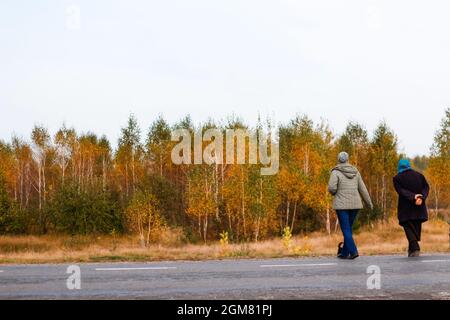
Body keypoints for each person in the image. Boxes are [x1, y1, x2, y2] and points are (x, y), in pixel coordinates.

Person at [328, 152, 373, 259]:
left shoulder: (336, 172)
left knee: (346, 229)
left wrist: (334, 193)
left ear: (338, 159)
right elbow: (363, 189)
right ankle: (344, 253)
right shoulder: (355, 171)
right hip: (355, 205)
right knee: (348, 229)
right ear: (348, 159)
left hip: (342, 205)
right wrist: (369, 203)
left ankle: (353, 251)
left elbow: (332, 188)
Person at [393, 159, 430, 257]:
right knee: (416, 226)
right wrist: (421, 197)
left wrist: (414, 197)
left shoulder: (397, 178)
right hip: (419, 206)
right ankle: (412, 250)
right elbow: (426, 187)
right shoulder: (419, 175)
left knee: (407, 225)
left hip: (406, 209)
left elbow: (401, 191)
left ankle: (415, 248)